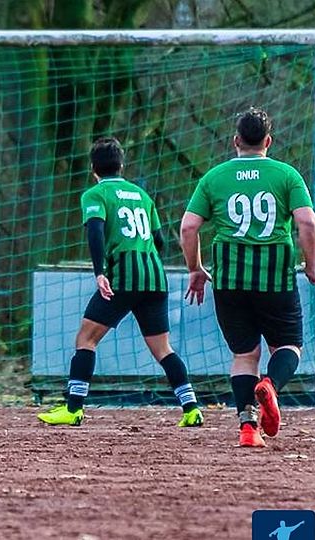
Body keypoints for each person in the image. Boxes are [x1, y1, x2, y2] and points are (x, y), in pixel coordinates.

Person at [38, 137, 203, 428]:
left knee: (86, 339)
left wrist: (100, 271)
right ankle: (191, 408)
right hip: (153, 276)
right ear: (122, 165)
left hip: (121, 278)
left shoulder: (95, 194)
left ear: (93, 168)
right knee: (163, 348)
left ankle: (73, 408)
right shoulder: (142, 195)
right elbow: (160, 240)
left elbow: (96, 232)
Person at [180, 107, 315, 448]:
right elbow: (308, 224)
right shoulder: (286, 175)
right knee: (287, 346)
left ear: (235, 140)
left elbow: (188, 227)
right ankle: (270, 386)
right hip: (274, 278)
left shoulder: (214, 177)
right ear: (268, 141)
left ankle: (247, 427)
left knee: (245, 355)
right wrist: (311, 265)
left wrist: (195, 269)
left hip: (229, 279)